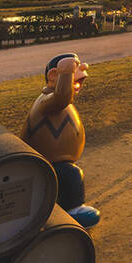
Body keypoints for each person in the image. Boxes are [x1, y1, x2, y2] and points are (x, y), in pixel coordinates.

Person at [21, 52, 100, 228]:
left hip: (60, 161)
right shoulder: (48, 102)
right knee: (71, 175)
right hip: (50, 163)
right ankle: (74, 210)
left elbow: (65, 97)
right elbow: (62, 97)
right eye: (71, 76)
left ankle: (59, 203)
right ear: (53, 76)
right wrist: (66, 73)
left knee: (67, 176)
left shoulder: (61, 103)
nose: (76, 83)